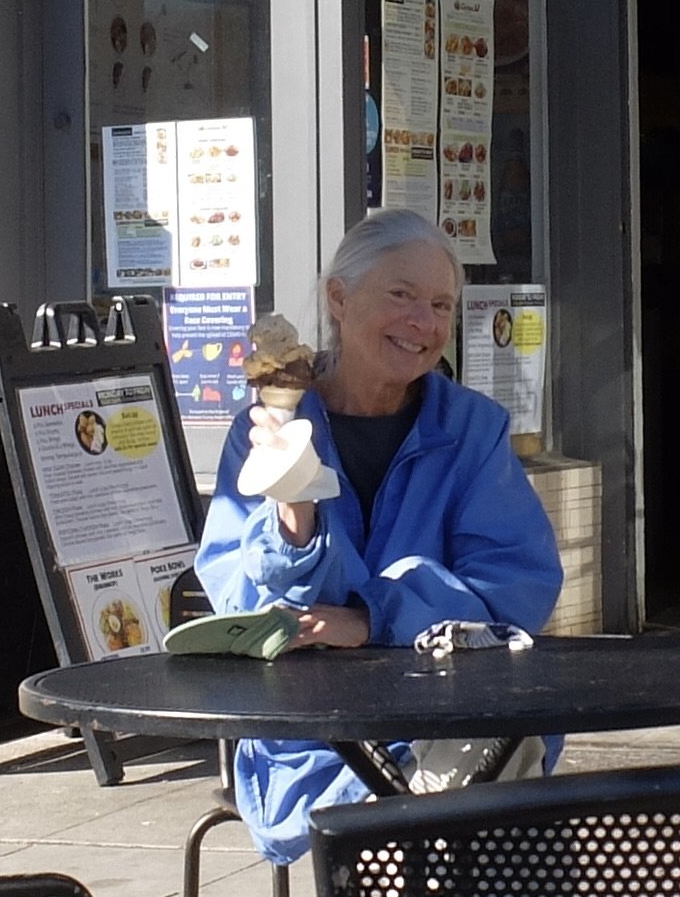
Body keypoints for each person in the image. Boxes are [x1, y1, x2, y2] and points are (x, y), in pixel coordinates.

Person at [195, 208, 563, 864]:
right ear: (338, 297)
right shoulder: (267, 430)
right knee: (436, 827)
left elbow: (518, 586)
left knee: (462, 792)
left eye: (441, 303)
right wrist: (292, 515)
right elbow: (241, 608)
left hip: (451, 719)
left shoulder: (471, 428)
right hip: (313, 733)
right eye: (402, 295)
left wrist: (369, 617)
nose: (424, 324)